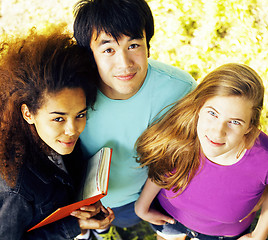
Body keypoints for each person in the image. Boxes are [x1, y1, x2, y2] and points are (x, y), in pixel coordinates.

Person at [73, 0, 197, 239]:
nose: (124, 64)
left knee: (170, 228)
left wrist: (144, 203)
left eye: (133, 45)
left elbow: (183, 155)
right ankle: (100, 230)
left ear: (148, 44)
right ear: (90, 54)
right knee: (98, 225)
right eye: (108, 50)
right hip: (87, 199)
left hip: (150, 192)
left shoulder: (180, 90)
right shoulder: (71, 91)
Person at [0, 28, 114, 240]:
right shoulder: (15, 188)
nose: (73, 130)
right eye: (58, 118)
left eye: (80, 114)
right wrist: (74, 226)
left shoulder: (52, 138)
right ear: (28, 113)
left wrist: (87, 206)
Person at [135, 63, 268, 240]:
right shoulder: (181, 134)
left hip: (221, 235)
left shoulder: (263, 158)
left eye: (235, 122)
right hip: (170, 219)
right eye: (212, 113)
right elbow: (161, 170)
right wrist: (142, 206)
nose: (217, 132)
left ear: (250, 127)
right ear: (199, 107)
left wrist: (259, 235)